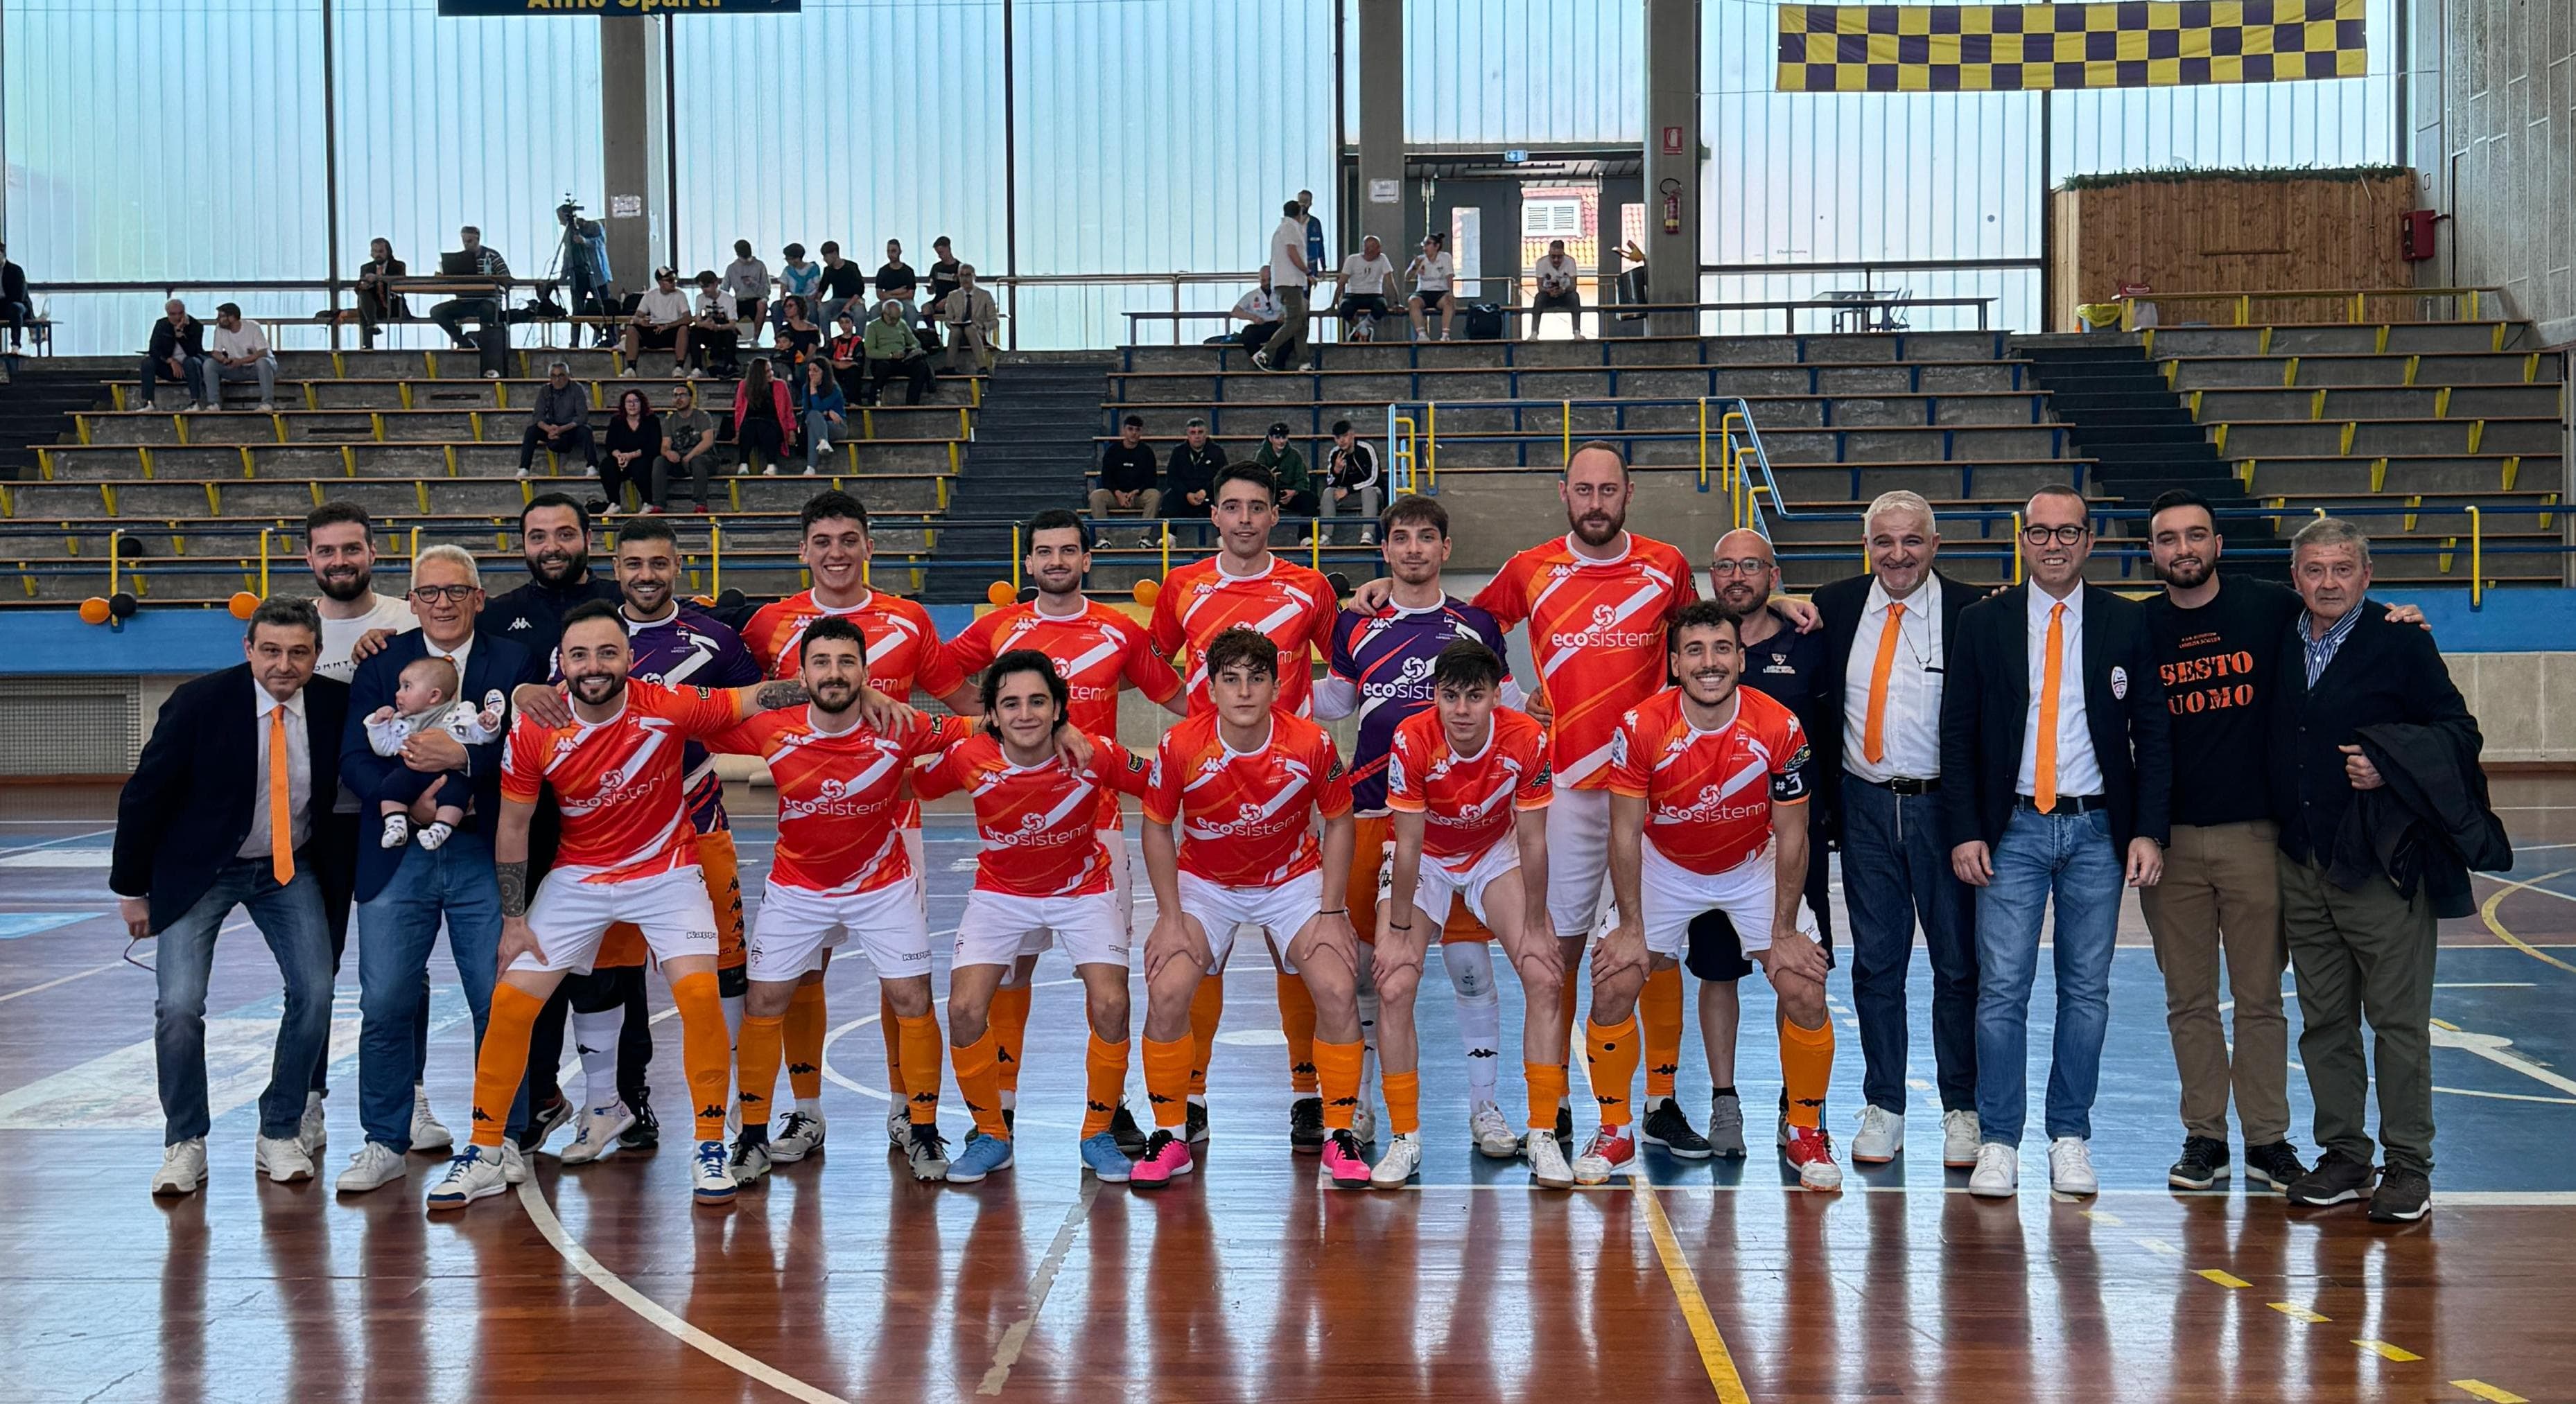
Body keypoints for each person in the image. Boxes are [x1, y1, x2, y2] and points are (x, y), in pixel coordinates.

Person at [1355, 443, 1708, 1146]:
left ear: (1629, 492)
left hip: (1654, 784)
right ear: (1563, 493)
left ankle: (1661, 1101)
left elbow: (1707, 635)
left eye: (1608, 489)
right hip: (1566, 786)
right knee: (1558, 950)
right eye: (1584, 490)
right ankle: (1560, 1101)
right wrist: (1382, 594)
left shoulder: (1666, 564)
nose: (1596, 502)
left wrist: (1775, 603)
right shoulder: (1529, 568)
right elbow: (1463, 626)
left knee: (1657, 944)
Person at [419, 603, 811, 1211]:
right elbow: (514, 827)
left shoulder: (666, 705)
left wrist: (835, 684)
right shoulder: (535, 727)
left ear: (630, 658)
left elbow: (754, 699)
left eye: (607, 653)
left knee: (700, 996)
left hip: (666, 871)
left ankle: (709, 1144)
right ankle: (486, 1150)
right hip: (578, 877)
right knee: (512, 1001)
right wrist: (515, 921)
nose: (594, 666)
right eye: (580, 655)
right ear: (562, 663)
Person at [508, 517, 767, 1166]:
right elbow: (539, 707)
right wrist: (520, 690)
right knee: (603, 973)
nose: (646, 575)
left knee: (721, 970)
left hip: (697, 824)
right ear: (615, 568)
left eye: (658, 563)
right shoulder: (585, 640)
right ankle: (607, 1106)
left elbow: (758, 706)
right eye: (633, 564)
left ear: (678, 566)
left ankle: (734, 1103)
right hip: (604, 842)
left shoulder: (714, 638)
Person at [1942, 484, 2170, 1200]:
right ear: (2022, 540)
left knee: (2087, 991)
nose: (2053, 545)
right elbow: (1957, 734)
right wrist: (1965, 829)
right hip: (2010, 828)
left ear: (2089, 541)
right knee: (2001, 989)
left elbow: (2153, 732)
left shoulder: (2125, 622)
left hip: (2097, 830)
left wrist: (2147, 829)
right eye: (2039, 532)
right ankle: (1999, 1141)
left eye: (2067, 532)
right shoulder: (1983, 623)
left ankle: (2069, 1136)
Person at [934, 511, 1188, 1148]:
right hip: (1018, 824)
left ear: (1086, 559)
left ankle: (1112, 1108)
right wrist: (985, 727)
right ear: (1028, 562)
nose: (1056, 561)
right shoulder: (999, 628)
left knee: (1106, 985)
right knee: (1010, 973)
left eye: (1068, 551)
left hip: (1099, 828)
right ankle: (1002, 1106)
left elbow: (1178, 698)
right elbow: (937, 674)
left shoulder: (1119, 630)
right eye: (1044, 551)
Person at [2269, 518, 2494, 1224]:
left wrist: (2388, 765)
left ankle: (2408, 1165)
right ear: (2295, 577)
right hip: (2303, 861)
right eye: (2314, 569)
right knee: (2323, 1021)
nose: (2328, 582)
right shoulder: (2279, 637)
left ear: (2367, 576)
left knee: (2397, 1023)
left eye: (2342, 569)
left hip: (2382, 866)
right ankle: (2343, 1155)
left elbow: (2458, 732)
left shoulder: (2400, 641)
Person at [1582, 602, 1843, 1192]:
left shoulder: (1779, 726)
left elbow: (1794, 834)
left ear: (1741, 659)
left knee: (1804, 987)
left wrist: (1783, 933)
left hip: (1750, 865)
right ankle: (1615, 1129)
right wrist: (1630, 928)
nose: (1709, 662)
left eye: (1722, 649)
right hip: (1665, 865)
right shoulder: (1640, 726)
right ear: (1675, 664)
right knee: (1613, 981)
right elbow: (1624, 831)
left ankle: (1806, 1132)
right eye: (1695, 651)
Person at [702, 615, 969, 1182]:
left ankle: (922, 1129)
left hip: (882, 887)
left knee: (912, 998)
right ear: (801, 674)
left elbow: (981, 725)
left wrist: (1062, 729)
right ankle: (753, 1136)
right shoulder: (772, 726)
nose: (834, 673)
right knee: (764, 1002)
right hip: (797, 889)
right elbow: (697, 719)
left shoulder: (901, 725)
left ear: (866, 672)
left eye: (847, 662)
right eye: (821, 662)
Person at [742, 491, 968, 1155]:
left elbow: (961, 703)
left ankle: (907, 1110)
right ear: (803, 550)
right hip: (809, 828)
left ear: (870, 546)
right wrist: (849, 689)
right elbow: (743, 702)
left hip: (896, 826)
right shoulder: (771, 624)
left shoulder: (908, 619)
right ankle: (806, 1113)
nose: (836, 553)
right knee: (802, 975)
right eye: (823, 541)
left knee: (901, 981)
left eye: (849, 540)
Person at [1313, 495, 1524, 1160]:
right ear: (1385, 550)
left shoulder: (1477, 625)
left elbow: (1509, 705)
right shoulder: (1356, 624)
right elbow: (1336, 701)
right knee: (1371, 969)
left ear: (1445, 549)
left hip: (1459, 821)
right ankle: (1365, 1104)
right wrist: (1262, 682)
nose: (1413, 549)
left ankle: (1485, 1107)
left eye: (1425, 537)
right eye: (1400, 538)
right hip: (1372, 812)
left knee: (1469, 965)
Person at [116, 597, 349, 1196]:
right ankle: (184, 1141)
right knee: (179, 1006)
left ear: (317, 654)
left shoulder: (335, 704)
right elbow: (145, 794)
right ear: (248, 649)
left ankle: (280, 1128)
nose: (283, 665)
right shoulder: (198, 702)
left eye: (298, 652)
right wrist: (132, 889)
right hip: (201, 870)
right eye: (270, 651)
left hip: (289, 868)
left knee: (317, 993)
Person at [330, 545, 542, 1194]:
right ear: (412, 600)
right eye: (429, 592)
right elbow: (353, 756)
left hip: (484, 849)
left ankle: (500, 1137)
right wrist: (411, 802)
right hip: (397, 853)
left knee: (498, 1000)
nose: (442, 603)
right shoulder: (382, 662)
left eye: (455, 591)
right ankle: (383, 1140)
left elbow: (533, 747)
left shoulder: (516, 660)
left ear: (479, 597)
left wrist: (467, 765)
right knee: (385, 1000)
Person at [1145, 465, 1342, 1141]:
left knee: (1298, 952)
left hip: (1289, 779)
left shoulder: (1309, 587)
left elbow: (1343, 663)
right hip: (1211, 778)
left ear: (1274, 515)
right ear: (1215, 515)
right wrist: (1190, 712)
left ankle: (1308, 1091)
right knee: (1204, 952)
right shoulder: (1184, 585)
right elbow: (1151, 658)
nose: (1245, 519)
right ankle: (1191, 1096)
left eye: (1257, 507)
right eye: (1232, 507)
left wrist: (1309, 716)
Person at [1134, 629, 1368, 1187]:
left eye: (1256, 679)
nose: (1244, 692)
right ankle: (1169, 1134)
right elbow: (1156, 827)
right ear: (1211, 688)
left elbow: (1340, 821)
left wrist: (1332, 911)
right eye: (1231, 680)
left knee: (1338, 986)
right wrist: (1170, 917)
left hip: (1291, 881)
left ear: (1276, 687)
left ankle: (1339, 1133)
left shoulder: (1311, 743)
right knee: (1167, 989)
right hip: (1206, 883)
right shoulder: (1180, 745)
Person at [916, 653, 1157, 1186]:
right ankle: (991, 1135)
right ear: (992, 715)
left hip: (1082, 890)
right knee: (963, 1009)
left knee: (1112, 1003)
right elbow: (912, 785)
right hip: (1001, 895)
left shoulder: (1093, 754)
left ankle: (1097, 1134)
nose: (1024, 714)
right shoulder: (970, 758)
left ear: (1058, 710)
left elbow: (1161, 785)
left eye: (1037, 702)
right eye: (1011, 704)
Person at [1805, 491, 1981, 1170]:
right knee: (1876, 965)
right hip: (1865, 807)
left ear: (1935, 545)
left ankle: (1961, 1107)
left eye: (1911, 540)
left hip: (1946, 812)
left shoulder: (1972, 611)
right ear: (1866, 546)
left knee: (1957, 965)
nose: (1898, 554)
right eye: (1884, 541)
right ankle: (1884, 1104)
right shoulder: (1835, 605)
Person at [1374, 640, 1574, 1188]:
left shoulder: (1526, 738)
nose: (1461, 710)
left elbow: (1533, 841)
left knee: (1544, 974)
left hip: (1493, 852)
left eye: (1475, 697)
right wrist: (1398, 931)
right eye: (1450, 696)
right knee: (1395, 983)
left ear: (1495, 698)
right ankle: (1405, 1138)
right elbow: (1408, 844)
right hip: (1427, 858)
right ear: (1435, 696)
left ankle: (1542, 1133)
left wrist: (1536, 924)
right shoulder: (1412, 738)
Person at [1686, 527, 1840, 1160]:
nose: (1737, 576)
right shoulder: (1692, 645)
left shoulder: (1808, 641)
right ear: (1712, 576)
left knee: (1795, 971)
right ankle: (1724, 1101)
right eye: (1725, 566)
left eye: (1751, 566)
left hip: (1792, 843)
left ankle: (1795, 1106)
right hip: (1709, 842)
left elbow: (1831, 733)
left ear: (1773, 576)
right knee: (1718, 972)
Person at [300, 503, 419, 1147]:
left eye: (351, 548)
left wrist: (395, 654)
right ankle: (307, 1099)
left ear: (374, 552)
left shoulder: (409, 619)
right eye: (327, 550)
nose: (340, 561)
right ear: (309, 559)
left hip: (392, 816)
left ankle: (413, 1097)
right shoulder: (293, 627)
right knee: (314, 970)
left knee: (401, 971)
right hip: (315, 827)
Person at [359, 656, 502, 850]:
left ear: (434, 696)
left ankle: (440, 830)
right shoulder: (401, 723)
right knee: (392, 783)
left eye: (407, 687)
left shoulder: (461, 713)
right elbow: (383, 748)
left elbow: (480, 737)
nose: (398, 694)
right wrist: (378, 724)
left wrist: (487, 726)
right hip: (413, 773)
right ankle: (395, 825)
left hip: (451, 774)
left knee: (458, 792)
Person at [428, 225, 509, 351]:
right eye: (464, 241)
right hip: (464, 302)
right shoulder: (458, 260)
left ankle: (485, 343)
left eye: (469, 241)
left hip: (487, 301)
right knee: (437, 312)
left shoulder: (492, 256)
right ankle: (463, 341)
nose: (466, 245)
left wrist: (491, 281)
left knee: (487, 310)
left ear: (478, 239)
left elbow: (506, 277)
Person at [1253, 202, 1312, 373]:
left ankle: (1304, 362)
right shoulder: (1289, 228)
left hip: (1292, 282)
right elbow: (1292, 252)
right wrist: (1307, 271)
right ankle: (1265, 352)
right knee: (1294, 321)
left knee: (1301, 322)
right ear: (1299, 213)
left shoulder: (1286, 228)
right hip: (1289, 282)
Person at [518, 360, 595, 481]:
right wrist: (548, 429)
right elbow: (538, 415)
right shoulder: (545, 390)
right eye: (554, 376)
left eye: (561, 376)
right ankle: (524, 468)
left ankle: (592, 466)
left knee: (586, 430)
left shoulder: (577, 389)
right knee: (531, 431)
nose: (557, 380)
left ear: (568, 376)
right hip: (551, 428)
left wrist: (562, 429)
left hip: (570, 428)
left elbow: (582, 416)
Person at [1093, 415, 1163, 542]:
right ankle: (1102, 538)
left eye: (1137, 430)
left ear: (1141, 432)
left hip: (1137, 496)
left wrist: (1136, 491)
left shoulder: (1147, 452)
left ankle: (1144, 537)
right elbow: (1106, 477)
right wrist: (1118, 493)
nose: (1134, 433)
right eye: (1130, 429)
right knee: (1096, 496)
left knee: (1154, 495)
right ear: (1123, 430)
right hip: (1115, 496)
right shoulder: (1113, 451)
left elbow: (1151, 479)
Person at [654, 382, 721, 514]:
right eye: (675, 395)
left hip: (705, 459)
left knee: (697, 461)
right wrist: (669, 453)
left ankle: (700, 504)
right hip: (681, 461)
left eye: (682, 395)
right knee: (659, 461)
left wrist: (689, 457)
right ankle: (658, 504)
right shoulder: (670, 420)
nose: (678, 398)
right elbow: (664, 446)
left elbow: (708, 441)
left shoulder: (702, 416)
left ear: (691, 398)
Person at [137, 299, 211, 412]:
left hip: (190, 366)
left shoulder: (196, 326)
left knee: (190, 362)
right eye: (173, 314)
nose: (177, 317)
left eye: (180, 313)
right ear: (167, 314)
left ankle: (195, 402)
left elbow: (194, 351)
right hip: (170, 366)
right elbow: (154, 350)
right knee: (147, 363)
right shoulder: (161, 325)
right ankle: (149, 402)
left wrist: (180, 334)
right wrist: (170, 361)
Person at [620, 267, 693, 379]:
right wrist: (641, 321)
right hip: (655, 328)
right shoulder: (650, 296)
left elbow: (688, 318)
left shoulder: (680, 295)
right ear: (660, 282)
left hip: (672, 329)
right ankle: (631, 368)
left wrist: (667, 326)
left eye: (674, 279)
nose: (674, 283)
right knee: (631, 329)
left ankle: (679, 367)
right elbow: (636, 316)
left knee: (683, 329)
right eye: (670, 280)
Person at [593, 387, 658, 515]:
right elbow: (610, 445)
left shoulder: (651, 420)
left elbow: (653, 446)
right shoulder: (616, 421)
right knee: (607, 465)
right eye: (629, 402)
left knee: (640, 466)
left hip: (642, 456)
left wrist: (631, 456)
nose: (632, 405)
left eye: (636, 401)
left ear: (642, 403)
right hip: (621, 458)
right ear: (624, 405)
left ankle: (648, 502)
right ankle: (614, 503)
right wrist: (619, 456)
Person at [204, 303, 279, 411]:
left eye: (222, 316)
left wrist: (240, 361)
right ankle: (214, 404)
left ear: (232, 317)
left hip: (257, 369)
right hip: (237, 369)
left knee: (262, 362)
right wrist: (224, 360)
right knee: (209, 364)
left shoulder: (253, 327)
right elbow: (216, 352)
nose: (218, 319)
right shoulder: (220, 329)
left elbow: (263, 352)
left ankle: (267, 404)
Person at [555, 203, 616, 335]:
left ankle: (610, 338)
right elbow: (568, 254)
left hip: (597, 275)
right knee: (577, 312)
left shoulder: (594, 226)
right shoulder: (569, 233)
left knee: (605, 308)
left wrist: (584, 241)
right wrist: (563, 275)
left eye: (561, 219)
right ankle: (574, 342)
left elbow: (600, 242)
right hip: (578, 277)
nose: (561, 223)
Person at [1160, 417, 1225, 539]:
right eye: (1193, 433)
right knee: (1169, 498)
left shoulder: (1217, 452)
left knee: (1223, 498)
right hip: (1185, 497)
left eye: (1200, 432)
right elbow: (1172, 478)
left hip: (1209, 496)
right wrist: (1187, 494)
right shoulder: (1178, 452)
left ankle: (1222, 537)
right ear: (1187, 434)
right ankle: (1169, 536)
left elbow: (1222, 476)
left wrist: (1205, 491)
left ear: (1206, 433)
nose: (1197, 436)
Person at [1319, 419, 1380, 546]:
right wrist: (1336, 471)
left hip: (1373, 494)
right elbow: (1330, 482)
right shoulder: (1335, 453)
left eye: (1345, 436)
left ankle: (1367, 534)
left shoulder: (1366, 449)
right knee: (1328, 492)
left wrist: (1349, 489)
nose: (1342, 441)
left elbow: (1373, 478)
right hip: (1347, 496)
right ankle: (1326, 536)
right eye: (1338, 438)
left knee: (1368, 491)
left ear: (1352, 434)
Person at [864, 298, 933, 406]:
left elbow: (915, 342)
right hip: (884, 360)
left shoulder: (902, 323)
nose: (895, 321)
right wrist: (890, 355)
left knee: (921, 366)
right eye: (892, 318)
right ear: (884, 313)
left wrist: (910, 349)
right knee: (882, 368)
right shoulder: (873, 327)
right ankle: (873, 401)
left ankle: (912, 403)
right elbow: (870, 351)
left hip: (902, 359)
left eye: (897, 318)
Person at [733, 357, 795, 477]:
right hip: (751, 426)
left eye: (771, 370)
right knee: (749, 425)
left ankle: (772, 464)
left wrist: (791, 430)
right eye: (767, 371)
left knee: (763, 425)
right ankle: (743, 464)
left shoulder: (780, 385)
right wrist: (737, 432)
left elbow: (788, 409)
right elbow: (739, 410)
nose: (771, 373)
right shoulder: (744, 385)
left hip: (774, 426)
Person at [1334, 235, 1396, 341]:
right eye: (1368, 247)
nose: (1370, 250)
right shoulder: (1352, 259)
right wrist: (1334, 303)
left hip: (1375, 295)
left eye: (1374, 247)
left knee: (1381, 307)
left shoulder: (1382, 259)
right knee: (1345, 308)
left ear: (1379, 248)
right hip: (1353, 295)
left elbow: (1390, 283)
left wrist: (1396, 302)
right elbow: (1342, 282)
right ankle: (1363, 330)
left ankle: (1362, 327)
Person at [940, 263, 999, 374]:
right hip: (958, 330)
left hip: (978, 330)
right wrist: (953, 323)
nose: (965, 279)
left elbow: (995, 321)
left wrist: (982, 326)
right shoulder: (952, 296)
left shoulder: (985, 295)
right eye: (962, 275)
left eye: (968, 275)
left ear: (974, 276)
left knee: (970, 329)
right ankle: (950, 367)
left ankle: (982, 367)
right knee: (955, 331)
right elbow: (947, 319)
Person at [1254, 423, 1316, 525]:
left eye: (1284, 437)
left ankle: (1306, 534)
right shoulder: (1262, 455)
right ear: (1270, 438)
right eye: (1277, 438)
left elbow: (1302, 479)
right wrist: (1270, 478)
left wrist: (1294, 491)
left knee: (1310, 498)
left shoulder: (1295, 455)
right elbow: (1257, 480)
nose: (1281, 441)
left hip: (1292, 493)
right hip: (1272, 495)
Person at [352, 238, 406, 351]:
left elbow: (400, 284)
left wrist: (378, 278)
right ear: (371, 253)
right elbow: (357, 288)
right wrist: (364, 285)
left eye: (381, 251)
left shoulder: (398, 266)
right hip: (374, 307)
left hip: (393, 305)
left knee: (363, 307)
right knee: (363, 296)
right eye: (375, 251)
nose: (378, 255)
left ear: (388, 252)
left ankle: (368, 342)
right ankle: (371, 326)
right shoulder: (366, 268)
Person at [1406, 234, 1458, 342]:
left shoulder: (1445, 257)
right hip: (1423, 293)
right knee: (1412, 301)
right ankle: (1422, 334)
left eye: (1428, 244)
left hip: (1441, 292)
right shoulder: (1420, 259)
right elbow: (1407, 278)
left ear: (1437, 246)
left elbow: (1449, 276)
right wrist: (1415, 267)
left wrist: (1451, 293)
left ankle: (1445, 335)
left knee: (1449, 300)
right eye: (1424, 244)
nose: (1425, 248)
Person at [686, 271, 740, 376]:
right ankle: (697, 367)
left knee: (732, 334)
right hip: (708, 330)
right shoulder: (700, 298)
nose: (704, 290)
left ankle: (730, 364)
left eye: (707, 286)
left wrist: (718, 327)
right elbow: (697, 321)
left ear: (715, 284)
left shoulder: (729, 299)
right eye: (702, 287)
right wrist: (705, 324)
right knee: (694, 333)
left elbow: (732, 324)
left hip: (723, 330)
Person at [799, 358, 846, 475]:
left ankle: (811, 467)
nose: (811, 373)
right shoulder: (806, 388)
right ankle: (823, 442)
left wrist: (813, 389)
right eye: (810, 370)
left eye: (815, 370)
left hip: (836, 426)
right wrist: (827, 412)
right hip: (817, 424)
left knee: (814, 423)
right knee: (813, 421)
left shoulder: (834, 388)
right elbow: (808, 411)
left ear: (823, 372)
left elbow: (818, 407)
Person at [1529, 239, 1582, 338]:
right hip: (1547, 295)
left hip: (1565, 295)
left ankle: (1577, 332)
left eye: (1559, 257)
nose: (1556, 260)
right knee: (1538, 298)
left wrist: (1563, 290)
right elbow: (1540, 287)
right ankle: (1534, 333)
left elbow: (1573, 285)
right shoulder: (1541, 263)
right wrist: (1548, 291)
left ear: (1563, 254)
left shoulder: (1570, 262)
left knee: (1575, 297)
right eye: (1553, 257)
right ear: (1549, 254)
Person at [815, 240, 867, 331]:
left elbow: (860, 290)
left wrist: (848, 305)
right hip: (836, 300)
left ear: (835, 254)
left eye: (826, 256)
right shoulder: (828, 270)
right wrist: (819, 302)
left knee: (860, 314)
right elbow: (822, 289)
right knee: (823, 310)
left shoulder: (851, 267)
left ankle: (859, 338)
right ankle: (827, 338)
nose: (824, 259)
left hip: (854, 299)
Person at [1230, 270, 1284, 355]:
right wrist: (1253, 317)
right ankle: (1259, 359)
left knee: (1290, 333)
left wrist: (1285, 314)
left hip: (1279, 326)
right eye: (1264, 280)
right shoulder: (1252, 295)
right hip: (1261, 326)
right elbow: (1235, 312)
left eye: (1270, 280)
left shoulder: (1283, 293)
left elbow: (1296, 307)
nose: (1267, 283)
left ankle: (1278, 362)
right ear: (1259, 280)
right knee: (1248, 333)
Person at [773, 296, 825, 383]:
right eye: (785, 306)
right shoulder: (784, 330)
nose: (787, 309)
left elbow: (810, 354)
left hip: (804, 363)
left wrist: (800, 363)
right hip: (787, 362)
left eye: (791, 306)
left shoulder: (812, 329)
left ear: (799, 307)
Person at [774, 244, 820, 338]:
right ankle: (780, 337)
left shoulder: (813, 269)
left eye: (789, 258)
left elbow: (818, 287)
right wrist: (784, 300)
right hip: (794, 299)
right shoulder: (787, 271)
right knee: (776, 307)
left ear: (797, 259)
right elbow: (783, 290)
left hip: (809, 299)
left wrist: (813, 296)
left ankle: (814, 336)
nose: (787, 261)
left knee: (812, 308)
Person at [720, 239, 769, 327]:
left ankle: (755, 334)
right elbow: (724, 289)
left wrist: (753, 283)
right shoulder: (731, 268)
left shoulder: (760, 266)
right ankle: (732, 333)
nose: (746, 261)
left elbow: (766, 291)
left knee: (762, 305)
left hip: (755, 300)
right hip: (738, 300)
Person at [876, 239, 921, 326]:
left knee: (911, 312)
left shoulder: (908, 271)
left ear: (900, 252)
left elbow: (910, 295)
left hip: (905, 301)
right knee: (874, 311)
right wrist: (897, 292)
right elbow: (879, 295)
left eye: (893, 251)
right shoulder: (882, 271)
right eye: (888, 251)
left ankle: (910, 333)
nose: (890, 254)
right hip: (886, 301)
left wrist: (888, 294)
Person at [925, 236, 962, 322]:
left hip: (955, 302)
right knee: (926, 308)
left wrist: (947, 301)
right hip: (938, 299)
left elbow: (963, 291)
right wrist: (931, 289)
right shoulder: (936, 267)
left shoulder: (960, 268)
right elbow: (933, 288)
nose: (939, 256)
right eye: (938, 253)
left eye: (941, 253)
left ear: (948, 249)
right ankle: (932, 330)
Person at [1297, 188, 1328, 281]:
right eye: (1301, 201)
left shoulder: (1315, 223)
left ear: (1310, 203)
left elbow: (1320, 245)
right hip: (1295, 265)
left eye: (1306, 201)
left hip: (1311, 265)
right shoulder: (1291, 223)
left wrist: (1323, 267)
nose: (1303, 204)